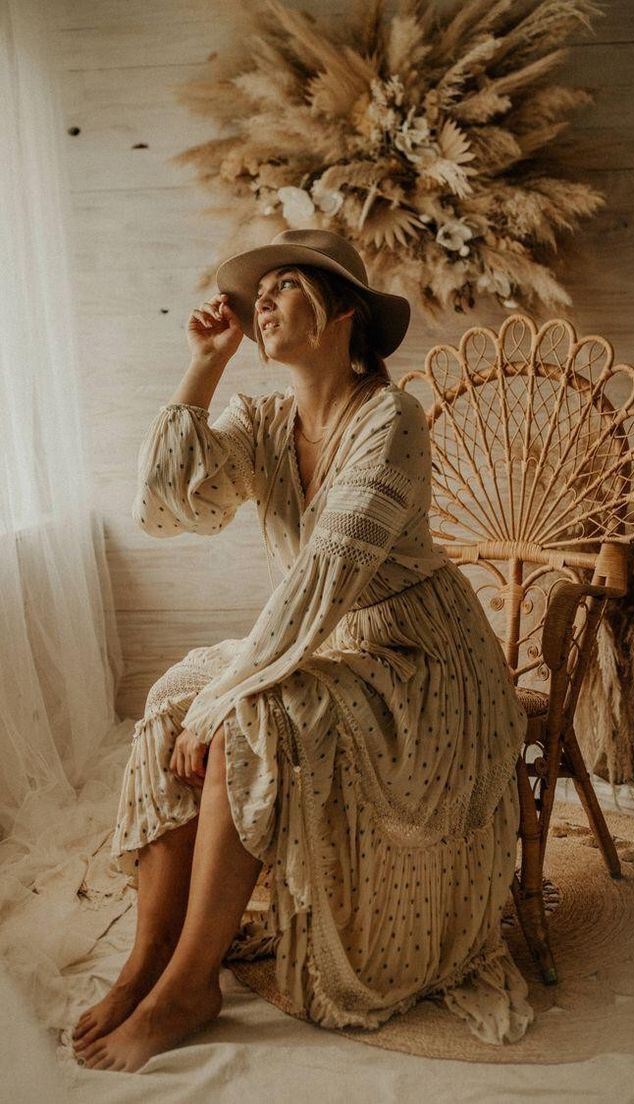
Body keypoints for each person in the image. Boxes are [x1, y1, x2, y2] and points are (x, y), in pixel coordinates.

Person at [71, 229, 533, 1073]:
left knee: (246, 715)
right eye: (262, 293)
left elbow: (326, 577)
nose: (264, 304)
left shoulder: (390, 418)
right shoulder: (262, 420)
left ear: (344, 313)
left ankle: (189, 985)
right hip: (329, 642)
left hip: (421, 665)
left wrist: (228, 700)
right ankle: (150, 959)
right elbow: (167, 509)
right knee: (176, 694)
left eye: (286, 287)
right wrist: (206, 365)